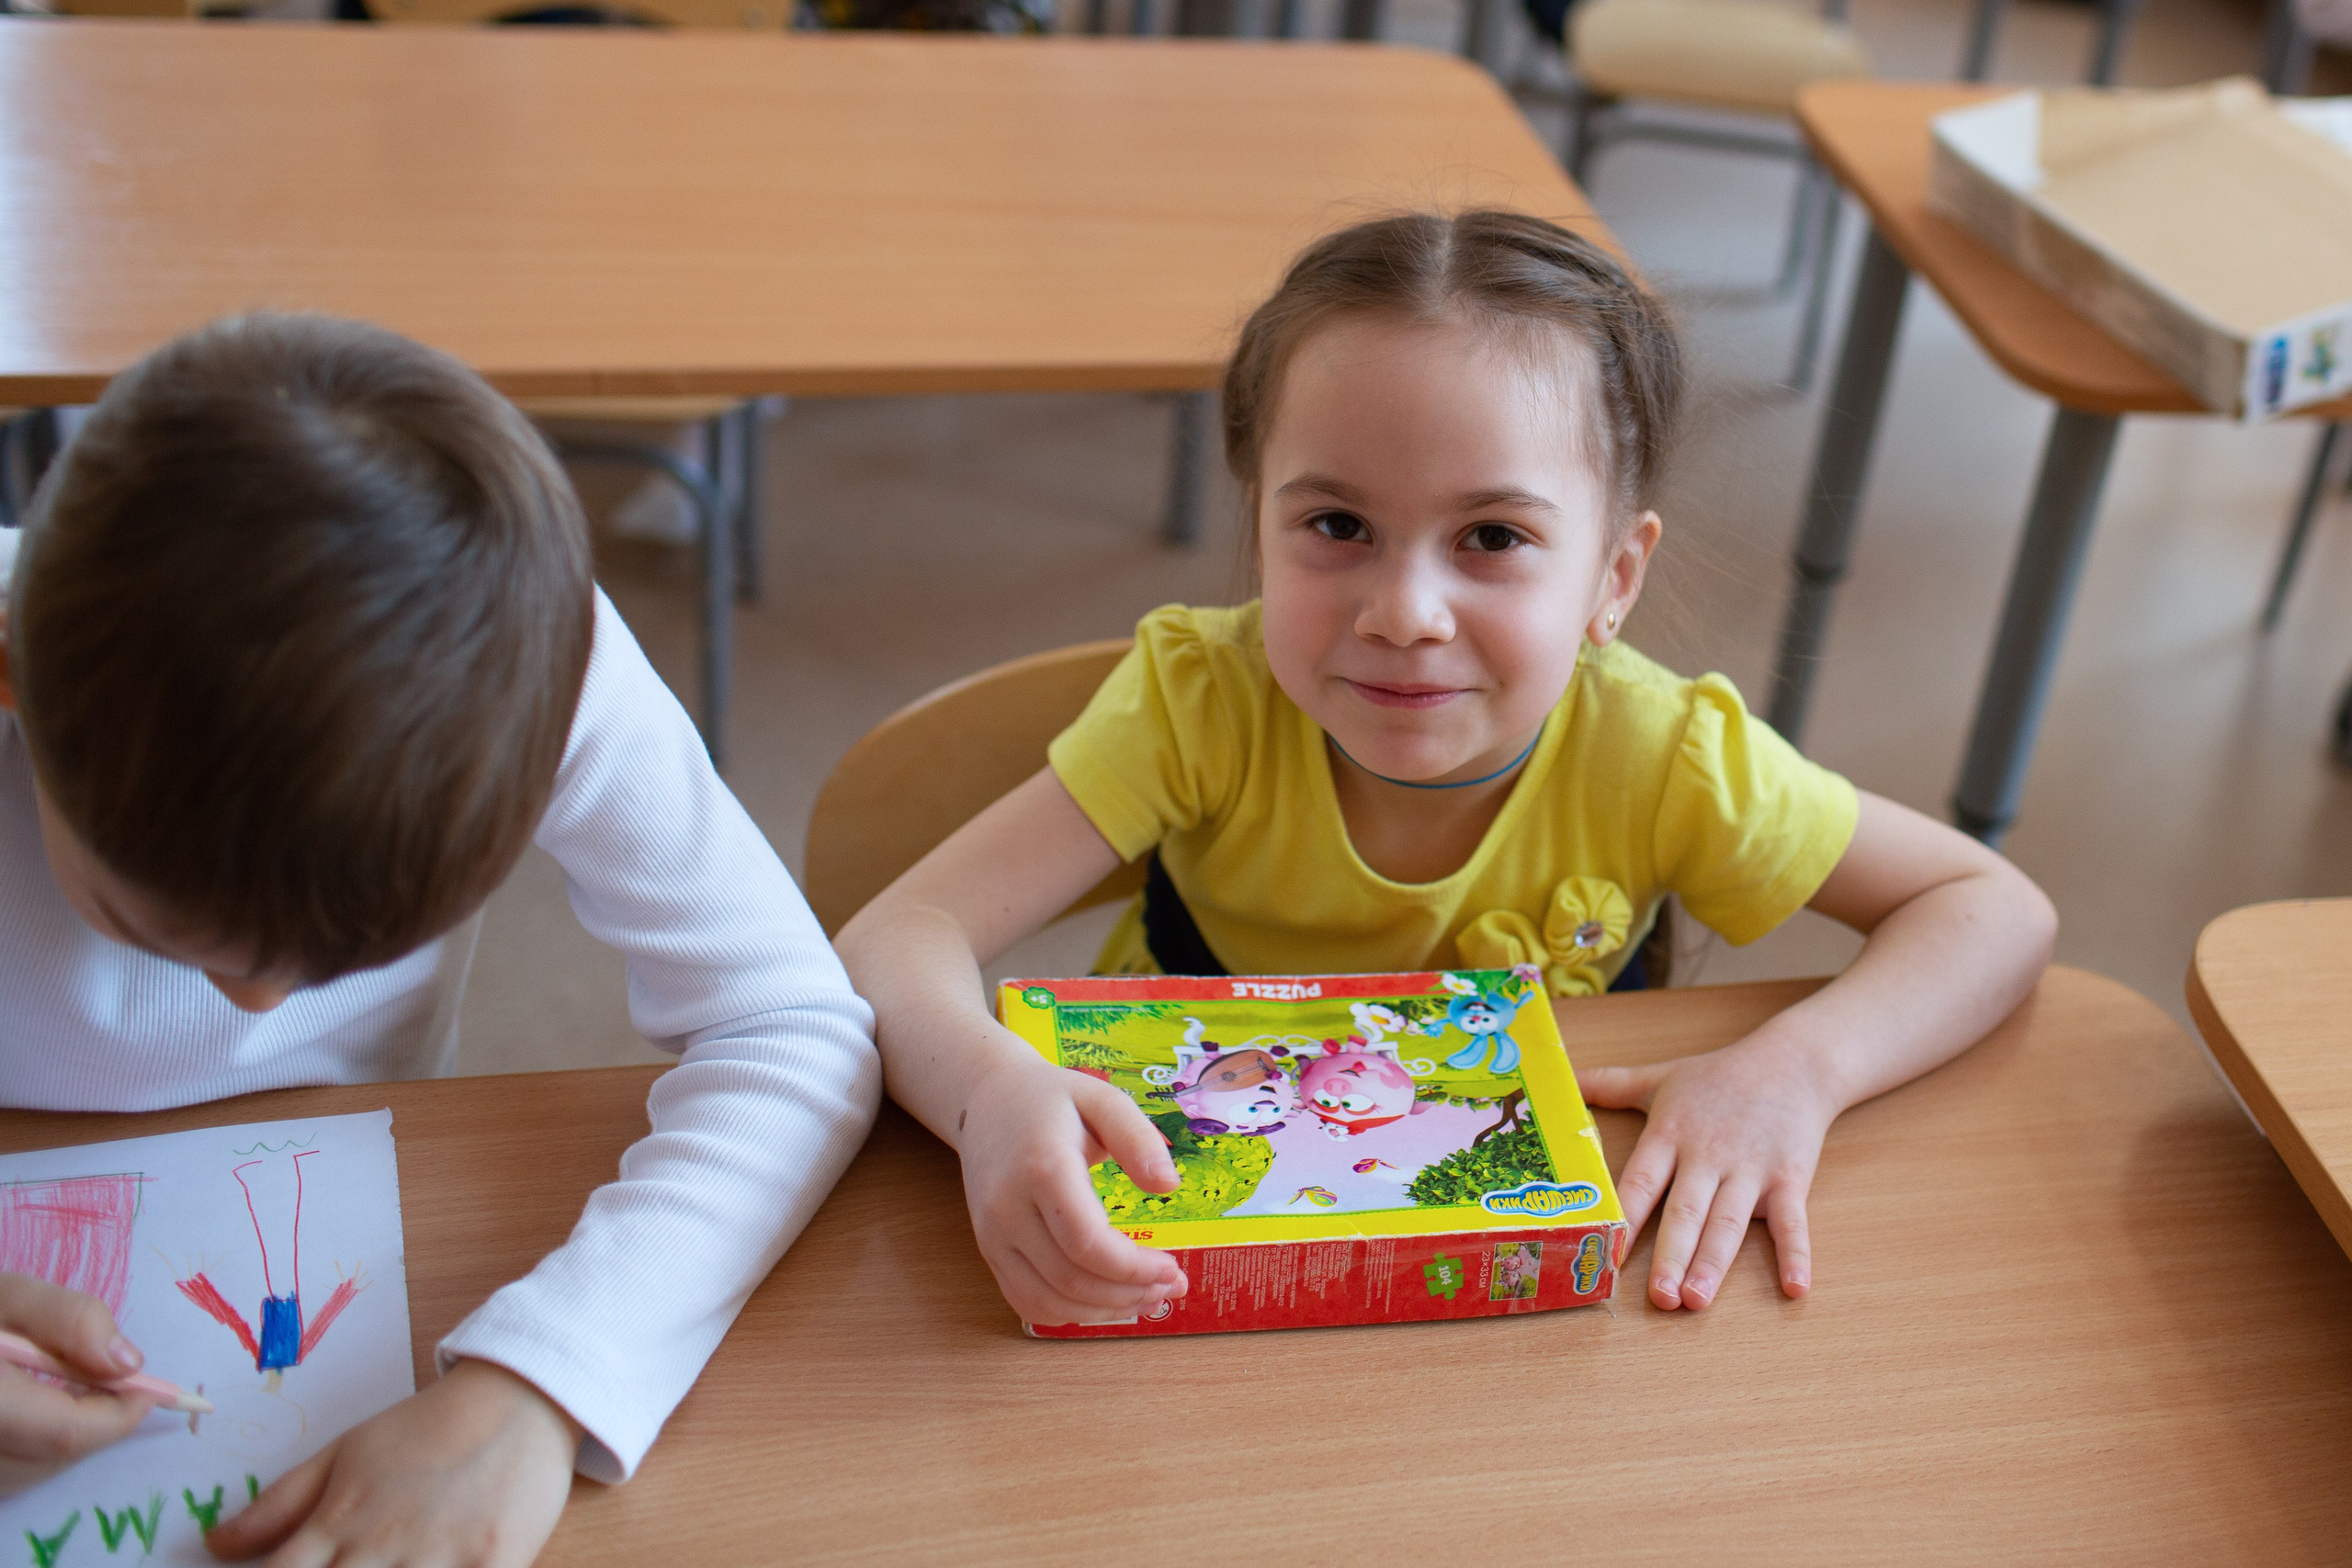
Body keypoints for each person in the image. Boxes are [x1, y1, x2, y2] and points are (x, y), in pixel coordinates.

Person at [835, 209, 2054, 1328]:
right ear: (1259, 521)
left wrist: (1798, 1069)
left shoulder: (1664, 754)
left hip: (1515, 1299)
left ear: (1613, 580)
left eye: (1492, 538)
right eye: (1336, 527)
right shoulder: (1198, 704)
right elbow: (894, 940)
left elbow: (1992, 910)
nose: (1406, 612)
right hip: (1181, 1250)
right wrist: (989, 1095)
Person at [0, 314, 878, 1562]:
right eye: (157, 929)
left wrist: (543, 1382)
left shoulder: (522, 664)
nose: (256, 1011)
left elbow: (791, 1025)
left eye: (343, 963)